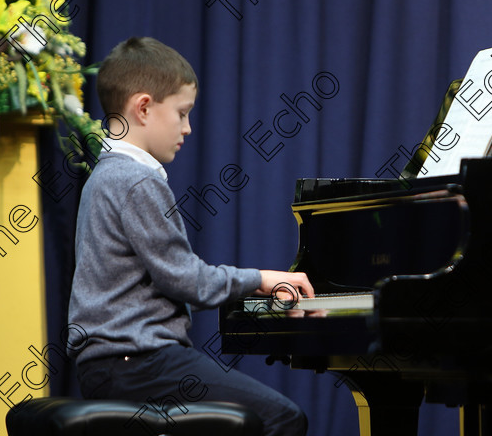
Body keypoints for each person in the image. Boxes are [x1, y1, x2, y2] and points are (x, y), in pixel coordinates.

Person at [66, 36, 314, 436]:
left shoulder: (106, 174)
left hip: (114, 364)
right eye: (182, 113)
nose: (188, 127)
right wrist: (264, 280)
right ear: (143, 107)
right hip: (139, 363)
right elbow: (187, 281)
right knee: (282, 417)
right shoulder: (135, 180)